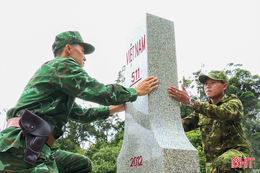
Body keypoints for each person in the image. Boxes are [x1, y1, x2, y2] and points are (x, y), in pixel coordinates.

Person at [0, 31, 159, 172]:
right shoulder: (61, 65)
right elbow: (95, 90)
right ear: (69, 49)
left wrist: (112, 109)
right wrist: (135, 91)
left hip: (35, 144)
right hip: (20, 144)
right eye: (82, 52)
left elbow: (80, 113)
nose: (84, 58)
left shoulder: (59, 83)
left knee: (81, 164)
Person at [168, 70, 251, 173]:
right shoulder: (201, 112)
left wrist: (191, 102)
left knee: (225, 161)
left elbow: (221, 112)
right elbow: (180, 126)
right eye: (206, 84)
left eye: (213, 83)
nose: (208, 86)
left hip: (240, 159)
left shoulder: (234, 103)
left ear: (224, 86)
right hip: (214, 166)